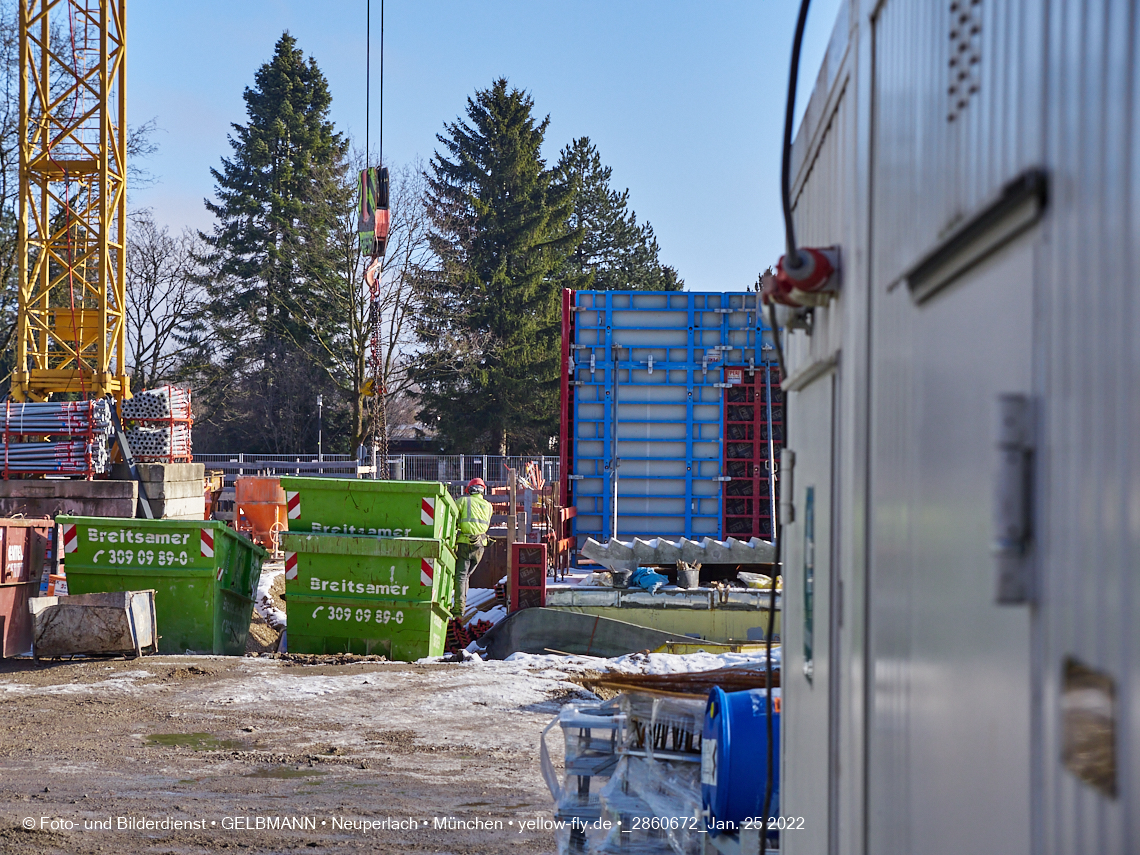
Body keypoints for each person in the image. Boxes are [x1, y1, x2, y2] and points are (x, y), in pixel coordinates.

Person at [454, 477, 493, 616]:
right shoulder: (489, 506)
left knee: (461, 576)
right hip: (480, 545)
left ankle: (459, 609)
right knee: (467, 576)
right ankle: (461, 604)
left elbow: (451, 516)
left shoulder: (463, 501)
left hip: (465, 543)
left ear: (470, 490)